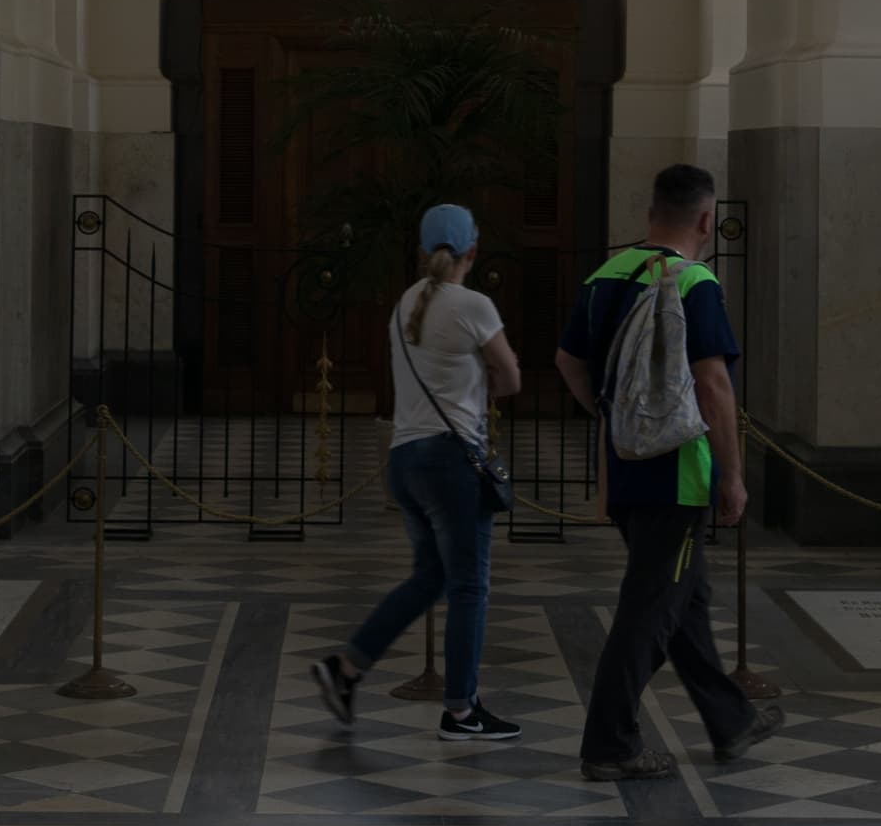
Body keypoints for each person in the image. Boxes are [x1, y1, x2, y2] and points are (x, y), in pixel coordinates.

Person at [557, 167, 769, 785]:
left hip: (626, 471)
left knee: (685, 601)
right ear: (706, 219)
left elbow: (567, 360)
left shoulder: (605, 276)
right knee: (649, 611)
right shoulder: (695, 281)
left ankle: (731, 720)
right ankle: (609, 744)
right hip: (677, 475)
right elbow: (712, 383)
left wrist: (613, 418)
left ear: (651, 213)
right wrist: (732, 475)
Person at [310, 204, 523, 744]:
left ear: (423, 252)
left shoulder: (405, 304)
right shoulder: (474, 305)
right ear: (473, 251)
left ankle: (346, 668)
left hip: (405, 460)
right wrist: (484, 382)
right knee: (469, 586)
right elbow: (512, 378)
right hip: (451, 461)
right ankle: (462, 710)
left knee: (430, 578)